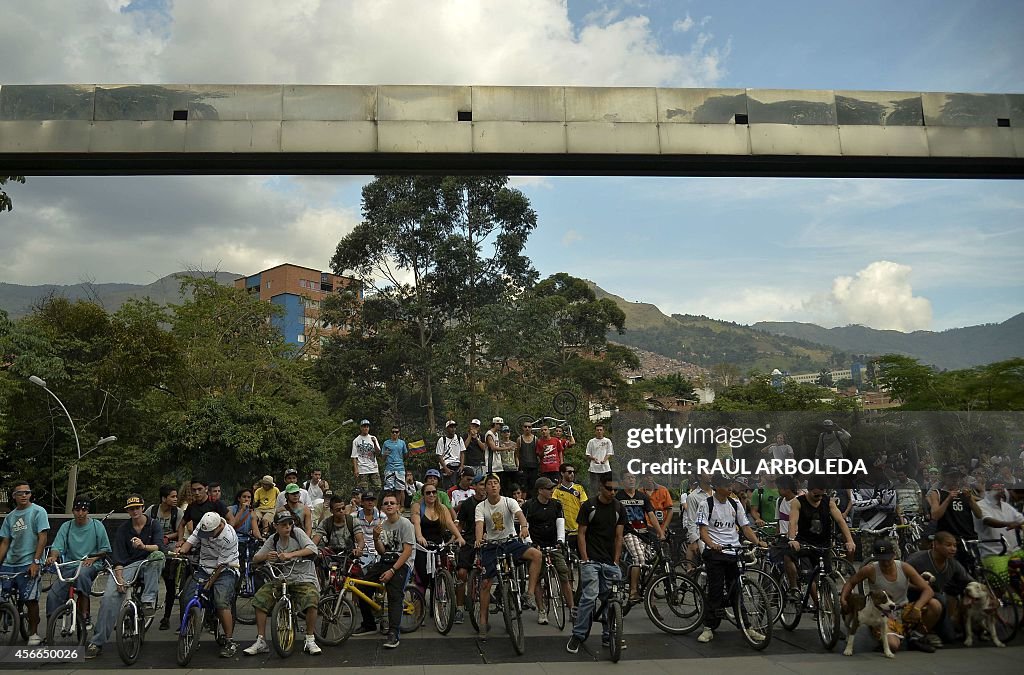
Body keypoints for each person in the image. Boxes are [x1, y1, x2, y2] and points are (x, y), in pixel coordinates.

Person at [85, 494, 165, 659]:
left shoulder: (154, 524)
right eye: (131, 509)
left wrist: (143, 546)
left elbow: (159, 546)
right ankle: (97, 642)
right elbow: (118, 559)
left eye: (137, 507)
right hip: (128, 565)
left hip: (148, 562)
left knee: (157, 557)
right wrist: (120, 579)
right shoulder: (123, 529)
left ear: (143, 508)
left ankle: (148, 600)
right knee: (108, 598)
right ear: (128, 511)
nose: (134, 511)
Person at [695, 474, 767, 644]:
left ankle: (746, 627)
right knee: (716, 591)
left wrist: (758, 542)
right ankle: (708, 628)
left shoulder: (735, 504)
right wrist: (712, 544)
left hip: (734, 552)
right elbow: (703, 531)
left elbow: (745, 527)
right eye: (726, 484)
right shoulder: (706, 504)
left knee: (737, 592)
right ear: (717, 486)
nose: (730, 487)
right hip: (716, 553)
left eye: (731, 484)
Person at [840, 540, 941, 654]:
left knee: (935, 605)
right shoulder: (870, 569)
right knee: (892, 646)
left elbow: (928, 590)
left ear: (894, 555)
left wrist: (917, 607)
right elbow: (850, 582)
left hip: (902, 608)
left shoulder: (904, 567)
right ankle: (883, 635)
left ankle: (916, 637)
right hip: (881, 613)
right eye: (882, 560)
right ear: (877, 558)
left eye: (888, 559)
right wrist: (843, 598)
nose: (886, 563)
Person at [243, 511, 321, 655]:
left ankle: (310, 639)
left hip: (304, 577)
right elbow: (255, 558)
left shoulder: (297, 533)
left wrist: (290, 555)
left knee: (311, 599)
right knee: (260, 598)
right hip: (283, 578)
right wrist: (267, 556)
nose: (288, 527)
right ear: (275, 526)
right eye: (284, 525)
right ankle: (261, 640)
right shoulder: (273, 539)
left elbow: (312, 548)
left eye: (290, 524)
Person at [474, 474, 541, 640]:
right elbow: (479, 524)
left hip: (510, 542)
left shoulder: (508, 501)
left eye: (495, 483)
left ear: (500, 486)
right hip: (491, 546)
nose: (493, 486)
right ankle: (483, 621)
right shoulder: (481, 507)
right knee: (485, 583)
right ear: (485, 488)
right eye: (489, 484)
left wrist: (524, 527)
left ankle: (530, 593)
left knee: (536, 555)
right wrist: (478, 538)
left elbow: (520, 515)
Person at [566, 472, 626, 654]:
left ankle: (610, 635)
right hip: (591, 560)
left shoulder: (618, 508)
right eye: (610, 489)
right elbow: (581, 534)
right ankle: (578, 635)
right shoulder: (589, 506)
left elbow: (619, 537)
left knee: (612, 599)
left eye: (616, 489)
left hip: (610, 561)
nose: (613, 492)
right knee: (590, 596)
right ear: (601, 487)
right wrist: (585, 559)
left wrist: (616, 561)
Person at [353, 494, 415, 649]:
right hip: (385, 560)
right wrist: (375, 538)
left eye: (392, 503)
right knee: (361, 588)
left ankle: (393, 633)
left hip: (402, 563)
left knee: (394, 595)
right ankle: (369, 624)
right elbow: (382, 552)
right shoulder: (382, 525)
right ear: (382, 508)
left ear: (398, 506)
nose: (389, 505)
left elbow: (407, 551)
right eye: (386, 503)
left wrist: (392, 571)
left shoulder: (406, 524)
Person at [175, 511, 240, 657]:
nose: (206, 536)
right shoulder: (205, 524)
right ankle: (189, 633)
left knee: (221, 601)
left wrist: (208, 584)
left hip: (225, 569)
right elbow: (191, 541)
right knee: (186, 597)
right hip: (204, 567)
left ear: (219, 526)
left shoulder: (229, 537)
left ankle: (230, 641)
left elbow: (221, 566)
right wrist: (181, 551)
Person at [44, 498, 110, 634]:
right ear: (73, 511)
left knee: (83, 575)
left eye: (84, 510)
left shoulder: (97, 526)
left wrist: (93, 558)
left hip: (90, 564)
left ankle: (85, 615)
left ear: (88, 511)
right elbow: (57, 546)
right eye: (77, 510)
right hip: (69, 566)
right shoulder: (66, 526)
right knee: (52, 594)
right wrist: (53, 556)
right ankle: (50, 629)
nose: (80, 513)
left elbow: (105, 549)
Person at [784, 475, 856, 591]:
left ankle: (827, 605)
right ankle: (796, 590)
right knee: (808, 575)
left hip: (824, 544)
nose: (819, 498)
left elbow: (840, 521)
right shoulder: (798, 502)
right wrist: (792, 539)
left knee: (828, 578)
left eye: (822, 495)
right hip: (805, 543)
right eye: (816, 495)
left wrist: (850, 540)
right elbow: (793, 522)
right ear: (809, 490)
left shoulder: (828, 502)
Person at [0, 479, 49, 646]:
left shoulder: (38, 512)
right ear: (14, 496)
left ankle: (34, 632)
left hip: (29, 561)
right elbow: (5, 542)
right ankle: (11, 616)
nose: (24, 495)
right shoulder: (10, 517)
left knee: (30, 598)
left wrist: (36, 561)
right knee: (2, 595)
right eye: (20, 493)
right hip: (10, 562)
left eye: (27, 492)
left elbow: (42, 537)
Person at [906, 531, 976, 646]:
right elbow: (900, 581)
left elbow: (970, 581)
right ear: (936, 544)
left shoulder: (953, 564)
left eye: (955, 545)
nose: (953, 549)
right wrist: (921, 587)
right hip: (911, 597)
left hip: (934, 596)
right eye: (948, 545)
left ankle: (931, 629)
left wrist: (988, 597)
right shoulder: (917, 559)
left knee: (950, 637)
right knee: (938, 600)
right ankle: (917, 635)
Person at [522, 477, 574, 625]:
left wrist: (560, 541)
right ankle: (542, 610)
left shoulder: (556, 504)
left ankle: (572, 609)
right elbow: (524, 527)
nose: (552, 491)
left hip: (553, 545)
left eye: (552, 488)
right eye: (549, 488)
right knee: (537, 578)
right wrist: (530, 544)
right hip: (537, 546)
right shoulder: (529, 506)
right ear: (540, 490)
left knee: (564, 574)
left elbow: (560, 523)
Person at [616, 473, 664, 602]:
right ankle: (633, 591)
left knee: (651, 563)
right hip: (628, 532)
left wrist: (660, 532)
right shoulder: (618, 497)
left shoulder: (642, 497)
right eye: (628, 477)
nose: (631, 480)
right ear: (622, 481)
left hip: (643, 533)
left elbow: (651, 515)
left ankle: (650, 597)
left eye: (633, 478)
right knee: (639, 558)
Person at [410, 480, 464, 593]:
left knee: (439, 581)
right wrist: (419, 536)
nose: (431, 495)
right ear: (423, 494)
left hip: (439, 546)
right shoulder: (417, 506)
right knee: (422, 582)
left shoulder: (442, 508)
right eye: (428, 493)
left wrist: (459, 536)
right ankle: (420, 608)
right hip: (423, 547)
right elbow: (416, 522)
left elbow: (449, 523)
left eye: (434, 492)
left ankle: (439, 606)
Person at [926, 467, 980, 570]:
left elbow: (979, 515)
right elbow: (935, 515)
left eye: (957, 477)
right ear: (944, 478)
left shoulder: (965, 493)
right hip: (950, 539)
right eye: (951, 476)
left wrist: (970, 500)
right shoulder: (937, 493)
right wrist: (948, 499)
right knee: (953, 570)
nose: (955, 479)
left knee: (973, 567)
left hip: (968, 537)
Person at [146, 485, 183, 631]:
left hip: (169, 549)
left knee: (170, 583)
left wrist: (168, 538)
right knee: (148, 580)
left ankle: (166, 617)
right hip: (153, 548)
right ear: (163, 498)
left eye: (176, 496)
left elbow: (179, 533)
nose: (175, 499)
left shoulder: (177, 512)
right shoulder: (152, 511)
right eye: (172, 496)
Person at [972, 479, 1024, 584]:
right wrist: (1008, 523)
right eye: (997, 488)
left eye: (1002, 487)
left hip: (1014, 551)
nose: (1000, 490)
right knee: (1001, 588)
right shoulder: (980, 505)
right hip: (994, 554)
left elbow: (1021, 519)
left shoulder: (1006, 506)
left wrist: (1017, 524)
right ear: (988, 490)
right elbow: (987, 521)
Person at [454, 475, 487, 624]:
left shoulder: (492, 503)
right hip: (469, 540)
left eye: (486, 484)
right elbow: (460, 525)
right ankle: (459, 608)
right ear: (475, 486)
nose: (484, 487)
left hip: (488, 541)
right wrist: (456, 537)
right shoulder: (467, 504)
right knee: (461, 573)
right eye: (481, 484)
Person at [552, 463, 589, 554]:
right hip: (564, 530)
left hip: (579, 528)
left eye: (573, 472)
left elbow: (584, 505)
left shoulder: (579, 488)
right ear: (562, 473)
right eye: (569, 472)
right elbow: (553, 507)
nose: (572, 474)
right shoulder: (556, 490)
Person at [177, 479, 228, 544]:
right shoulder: (191, 506)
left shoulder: (216, 503)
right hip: (199, 541)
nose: (197, 493)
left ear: (206, 489)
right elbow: (181, 524)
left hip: (216, 542)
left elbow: (231, 520)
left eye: (199, 489)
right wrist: (180, 540)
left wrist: (225, 536)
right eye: (194, 490)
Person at [683, 472, 713, 561]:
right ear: (699, 477)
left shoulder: (717, 493)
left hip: (718, 533)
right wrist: (694, 541)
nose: (711, 475)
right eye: (708, 473)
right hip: (701, 534)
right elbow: (691, 520)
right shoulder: (693, 497)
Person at [352, 420, 383, 492]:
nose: (366, 428)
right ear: (361, 428)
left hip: (373, 467)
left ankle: (375, 503)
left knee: (378, 488)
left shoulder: (373, 438)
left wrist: (374, 443)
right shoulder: (356, 440)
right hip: (362, 468)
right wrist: (356, 469)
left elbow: (378, 453)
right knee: (363, 490)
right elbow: (354, 456)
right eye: (364, 427)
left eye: (367, 427)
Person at [355, 492, 384, 567]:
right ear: (362, 502)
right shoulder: (354, 517)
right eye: (367, 500)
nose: (370, 502)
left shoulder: (382, 516)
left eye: (372, 500)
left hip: (377, 551)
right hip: (360, 552)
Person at [435, 420, 466, 491]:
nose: (453, 429)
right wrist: (445, 468)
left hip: (457, 466)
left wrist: (461, 466)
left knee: (458, 488)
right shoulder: (442, 440)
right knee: (449, 489)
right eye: (451, 427)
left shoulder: (459, 439)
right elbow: (439, 456)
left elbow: (462, 453)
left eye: (454, 427)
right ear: (447, 429)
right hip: (447, 466)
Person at [585, 423, 614, 496]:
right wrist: (594, 459)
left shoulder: (607, 441)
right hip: (594, 469)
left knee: (608, 486)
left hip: (605, 468)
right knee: (595, 488)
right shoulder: (591, 441)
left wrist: (604, 460)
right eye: (597, 430)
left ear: (603, 431)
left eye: (601, 430)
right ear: (595, 431)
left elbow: (609, 452)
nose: (599, 431)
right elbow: (588, 454)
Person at [382, 425, 409, 501]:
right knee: (388, 489)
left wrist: (411, 450)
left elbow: (405, 455)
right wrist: (385, 454)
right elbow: (382, 458)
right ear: (390, 433)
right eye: (393, 432)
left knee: (399, 489)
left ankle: (398, 506)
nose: (394, 433)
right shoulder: (386, 443)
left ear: (399, 433)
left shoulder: (402, 443)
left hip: (400, 468)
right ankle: (389, 505)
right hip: (389, 468)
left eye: (396, 432)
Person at [517, 423, 540, 496]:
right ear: (523, 428)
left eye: (529, 427)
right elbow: (517, 454)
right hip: (523, 466)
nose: (527, 428)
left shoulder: (535, 439)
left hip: (534, 466)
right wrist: (518, 465)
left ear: (531, 428)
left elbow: (538, 453)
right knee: (523, 486)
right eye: (525, 426)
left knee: (533, 485)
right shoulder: (519, 439)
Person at [497, 425, 520, 495]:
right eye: (504, 432)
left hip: (513, 467)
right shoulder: (499, 444)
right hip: (503, 468)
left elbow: (516, 456)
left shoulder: (514, 444)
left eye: (508, 432)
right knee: (504, 486)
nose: (506, 433)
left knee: (514, 486)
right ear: (501, 433)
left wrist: (517, 466)